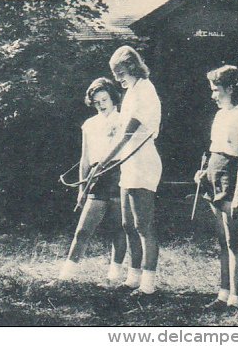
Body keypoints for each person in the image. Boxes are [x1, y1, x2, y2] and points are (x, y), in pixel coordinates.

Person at [95, 46, 162, 297]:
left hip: (143, 162)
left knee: (143, 225)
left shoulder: (145, 90)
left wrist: (104, 162)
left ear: (132, 67)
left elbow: (129, 134)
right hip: (129, 163)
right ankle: (133, 278)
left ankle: (148, 284)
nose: (117, 78)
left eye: (120, 72)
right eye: (114, 73)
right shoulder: (132, 91)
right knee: (127, 224)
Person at [195, 65, 238, 313]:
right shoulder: (222, 114)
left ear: (231, 88)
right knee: (222, 240)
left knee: (234, 241)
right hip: (214, 176)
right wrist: (205, 173)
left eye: (216, 90)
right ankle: (223, 294)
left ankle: (235, 297)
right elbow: (216, 149)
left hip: (231, 180)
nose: (213, 95)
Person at [58, 78, 127, 284]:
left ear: (113, 98)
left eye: (104, 99)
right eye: (96, 101)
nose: (101, 104)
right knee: (83, 229)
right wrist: (82, 188)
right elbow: (85, 159)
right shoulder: (89, 124)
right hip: (96, 178)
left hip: (118, 173)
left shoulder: (124, 119)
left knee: (118, 228)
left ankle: (114, 276)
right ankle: (66, 276)